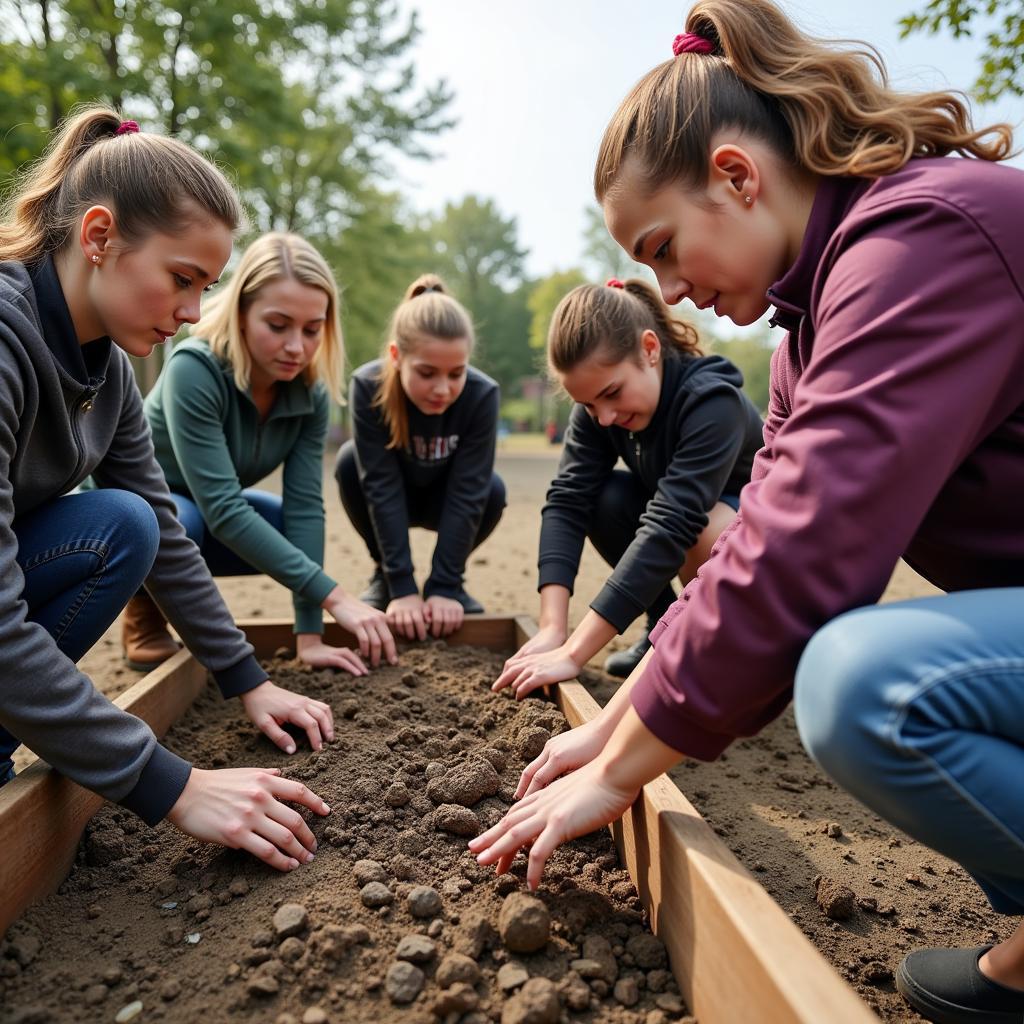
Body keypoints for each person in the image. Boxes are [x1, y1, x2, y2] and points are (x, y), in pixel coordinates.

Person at [469, 5, 1024, 1022]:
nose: (670, 289)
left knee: (870, 684)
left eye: (665, 247)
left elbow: (802, 562)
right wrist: (611, 732)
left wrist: (622, 768)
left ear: (736, 176)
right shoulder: (811, 321)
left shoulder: (921, 239)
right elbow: (750, 542)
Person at [0, 106, 336, 873]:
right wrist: (173, 785)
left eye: (206, 286)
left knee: (127, 525)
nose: (191, 313)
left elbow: (164, 532)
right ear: (98, 237)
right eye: (182, 280)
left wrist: (246, 679)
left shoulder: (110, 371)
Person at [139, 231, 396, 676]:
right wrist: (336, 597)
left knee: (288, 524)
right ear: (241, 313)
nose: (297, 346)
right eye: (278, 326)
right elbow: (223, 508)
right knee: (178, 521)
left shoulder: (310, 393)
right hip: (145, 513)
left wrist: (310, 635)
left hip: (210, 512)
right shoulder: (193, 370)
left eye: (312, 329)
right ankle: (143, 619)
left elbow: (305, 508)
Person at [493, 277, 762, 694]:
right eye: (587, 404)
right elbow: (567, 502)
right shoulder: (600, 410)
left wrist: (574, 653)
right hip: (684, 522)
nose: (603, 417)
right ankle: (662, 624)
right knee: (604, 496)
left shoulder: (712, 401)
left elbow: (672, 523)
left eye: (612, 393)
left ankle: (722, 651)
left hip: (760, 542)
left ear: (649, 350)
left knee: (704, 534)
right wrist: (552, 629)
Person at [335, 274, 505, 642]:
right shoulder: (368, 387)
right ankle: (383, 574)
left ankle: (450, 582)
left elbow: (468, 492)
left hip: (446, 501)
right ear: (397, 357)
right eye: (427, 373)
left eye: (456, 373)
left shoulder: (482, 395)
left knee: (492, 488)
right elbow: (380, 487)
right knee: (349, 463)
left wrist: (444, 585)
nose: (443, 389)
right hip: (392, 498)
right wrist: (401, 587)